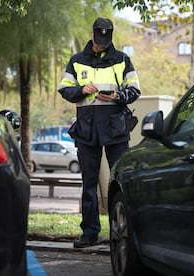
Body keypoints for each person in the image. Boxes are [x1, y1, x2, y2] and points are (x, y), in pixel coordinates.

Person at [58, 17, 140, 248]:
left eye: (106, 39)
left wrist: (116, 97)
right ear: (92, 33)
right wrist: (82, 89)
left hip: (116, 130)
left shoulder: (122, 60)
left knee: (122, 182)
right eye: (99, 38)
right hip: (87, 130)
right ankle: (90, 232)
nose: (102, 43)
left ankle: (124, 231)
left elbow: (135, 90)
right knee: (89, 183)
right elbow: (65, 90)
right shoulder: (76, 61)